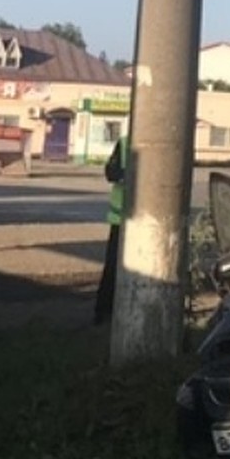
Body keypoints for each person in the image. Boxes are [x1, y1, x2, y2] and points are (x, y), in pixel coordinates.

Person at [94, 134, 128, 325]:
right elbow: (111, 172)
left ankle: (107, 311)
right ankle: (104, 312)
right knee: (114, 266)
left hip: (140, 219)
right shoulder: (124, 142)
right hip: (121, 219)